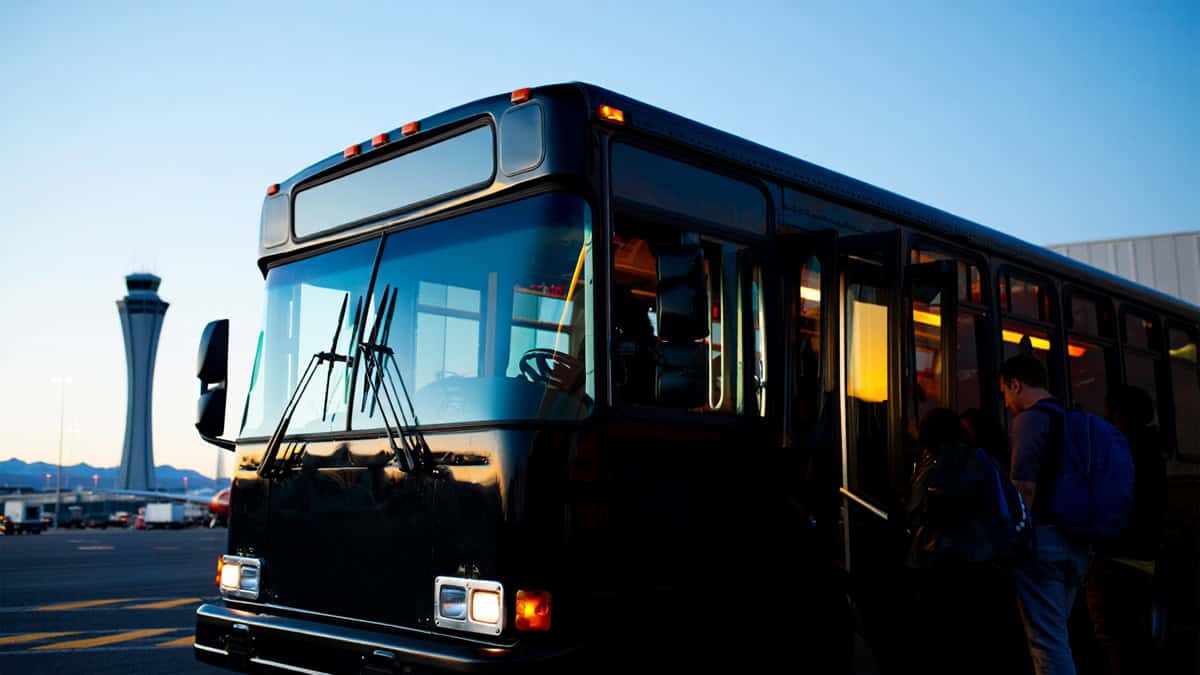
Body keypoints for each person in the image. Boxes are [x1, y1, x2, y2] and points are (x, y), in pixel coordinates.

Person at [1000, 354, 1091, 675]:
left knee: (1047, 642)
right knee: (1056, 632)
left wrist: (1010, 538)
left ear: (1016, 384)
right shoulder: (1073, 419)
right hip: (1077, 544)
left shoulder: (1029, 420)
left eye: (1006, 393)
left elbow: (1024, 487)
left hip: (1045, 544)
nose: (1008, 402)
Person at [906, 408, 1016, 673]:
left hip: (938, 562)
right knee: (977, 639)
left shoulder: (932, 463)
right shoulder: (983, 459)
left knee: (943, 639)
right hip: (983, 560)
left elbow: (914, 509)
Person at [1086, 385, 1167, 673]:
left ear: (1120, 415)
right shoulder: (1153, 451)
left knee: (1114, 640)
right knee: (1137, 642)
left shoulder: (1121, 453)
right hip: (1144, 560)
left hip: (1115, 557)